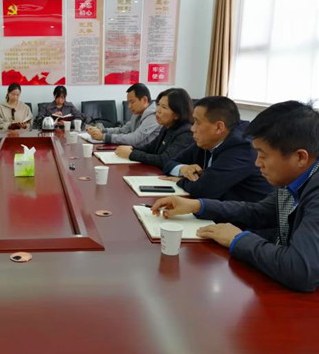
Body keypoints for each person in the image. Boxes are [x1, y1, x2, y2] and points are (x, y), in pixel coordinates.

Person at [151, 101, 319, 292]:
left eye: (263, 156)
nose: (257, 163)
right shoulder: (294, 179)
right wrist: (198, 206)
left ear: (300, 157)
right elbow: (260, 211)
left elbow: (301, 270)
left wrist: (238, 239)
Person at [162, 96, 272, 201]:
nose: (192, 128)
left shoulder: (242, 147)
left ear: (219, 127)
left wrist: (181, 180)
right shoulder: (208, 140)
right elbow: (169, 163)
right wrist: (183, 169)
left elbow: (204, 190)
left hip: (245, 212)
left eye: (197, 122)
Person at [115, 88, 194, 169]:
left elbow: (165, 160)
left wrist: (131, 154)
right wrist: (131, 148)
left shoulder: (186, 133)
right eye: (158, 105)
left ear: (178, 113)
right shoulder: (167, 127)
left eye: (164, 107)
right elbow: (150, 148)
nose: (157, 110)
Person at [87, 83, 161, 147]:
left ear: (144, 100)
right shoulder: (138, 112)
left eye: (132, 102)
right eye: (128, 102)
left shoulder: (154, 116)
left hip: (148, 155)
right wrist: (102, 130)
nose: (129, 106)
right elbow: (123, 130)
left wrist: (104, 137)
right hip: (135, 150)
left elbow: (135, 138)